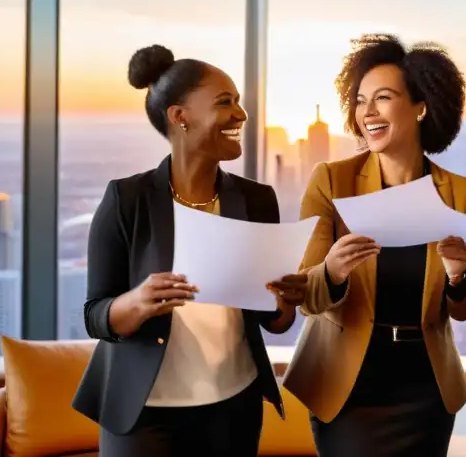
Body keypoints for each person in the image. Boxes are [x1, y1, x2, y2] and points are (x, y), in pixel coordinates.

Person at [72, 45, 307, 456]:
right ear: (180, 116)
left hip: (233, 409)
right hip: (143, 414)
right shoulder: (127, 199)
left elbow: (275, 320)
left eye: (239, 102)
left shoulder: (257, 201)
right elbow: (95, 315)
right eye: (225, 102)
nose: (241, 114)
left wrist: (287, 301)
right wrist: (137, 302)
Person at [282, 34, 466, 457]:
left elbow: (463, 310)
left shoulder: (464, 194)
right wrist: (332, 272)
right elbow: (306, 297)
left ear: (421, 106)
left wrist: (459, 276)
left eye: (383, 98)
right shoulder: (332, 181)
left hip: (426, 390)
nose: (366, 112)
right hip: (348, 386)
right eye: (359, 100)